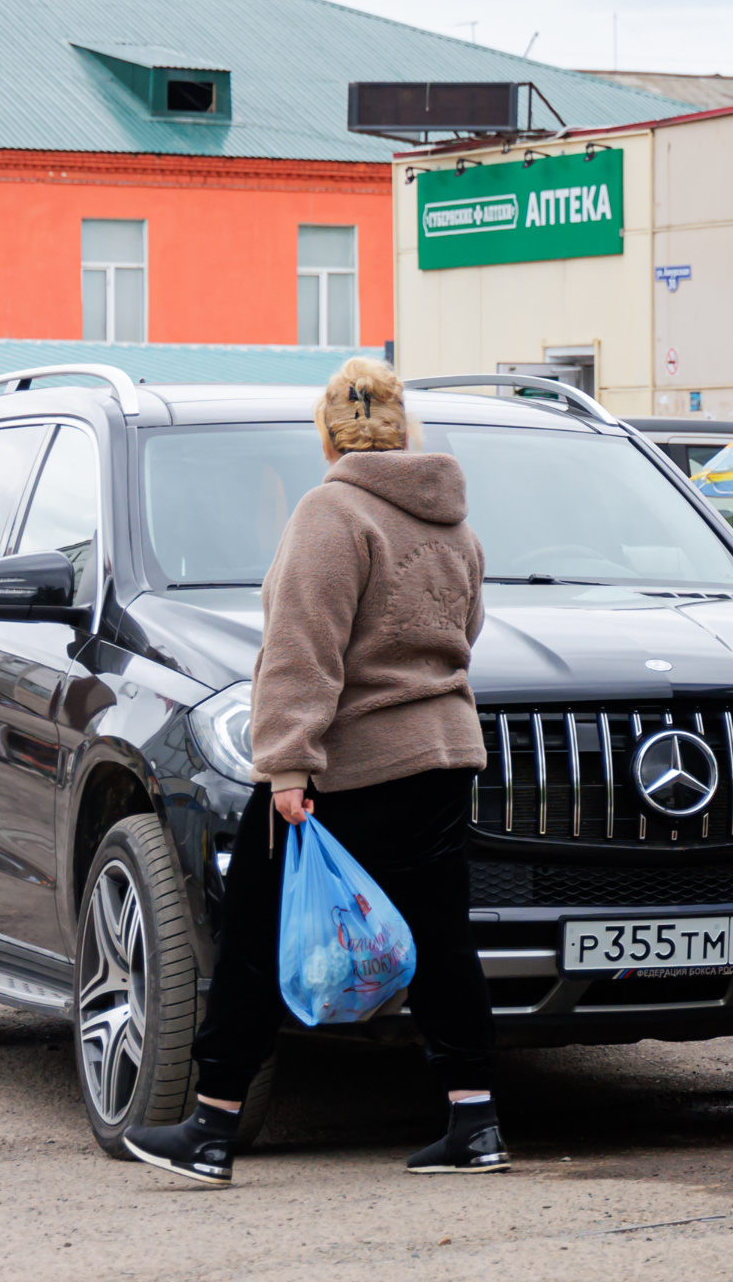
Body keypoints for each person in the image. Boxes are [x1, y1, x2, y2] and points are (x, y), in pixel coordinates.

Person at [123, 358, 503, 1187]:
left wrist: (287, 765)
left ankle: (214, 1129)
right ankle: (474, 1122)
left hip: (350, 768)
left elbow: (302, 647)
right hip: (443, 756)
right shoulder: (454, 527)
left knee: (256, 931)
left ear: (329, 433)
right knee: (444, 939)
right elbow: (464, 632)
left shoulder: (332, 512)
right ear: (404, 430)